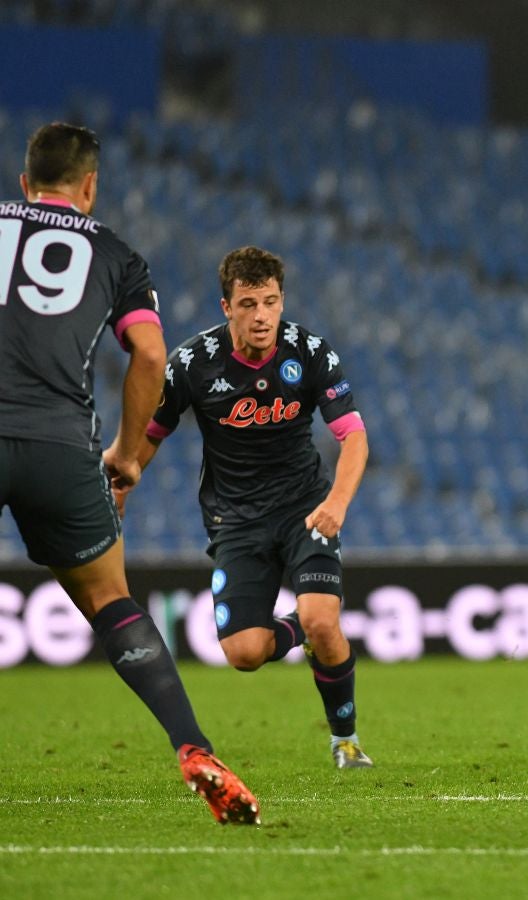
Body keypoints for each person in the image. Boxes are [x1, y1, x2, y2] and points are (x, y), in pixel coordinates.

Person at [0, 123, 259, 823]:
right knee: (111, 600)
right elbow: (150, 355)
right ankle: (194, 748)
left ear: (24, 183)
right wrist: (125, 453)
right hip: (61, 446)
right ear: (89, 187)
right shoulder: (114, 254)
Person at [121, 246, 374, 769]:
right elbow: (152, 434)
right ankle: (300, 629)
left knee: (323, 621)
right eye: (249, 304)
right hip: (235, 519)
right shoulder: (192, 363)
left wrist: (337, 501)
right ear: (226, 307)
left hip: (306, 509)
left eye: (271, 302)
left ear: (282, 301)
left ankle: (345, 742)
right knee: (244, 653)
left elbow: (353, 437)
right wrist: (122, 487)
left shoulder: (310, 352)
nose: (262, 316)